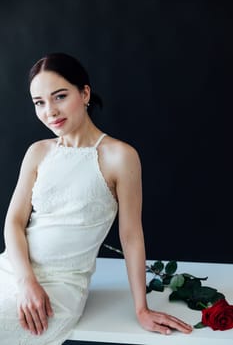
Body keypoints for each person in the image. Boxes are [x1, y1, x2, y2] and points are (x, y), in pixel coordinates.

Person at [0, 52, 192, 344]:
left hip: (61, 286)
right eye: (39, 102)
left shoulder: (120, 156)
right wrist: (25, 280)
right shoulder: (38, 151)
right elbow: (14, 222)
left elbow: (131, 236)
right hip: (14, 271)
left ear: (85, 92)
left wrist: (141, 308)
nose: (49, 111)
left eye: (60, 96)